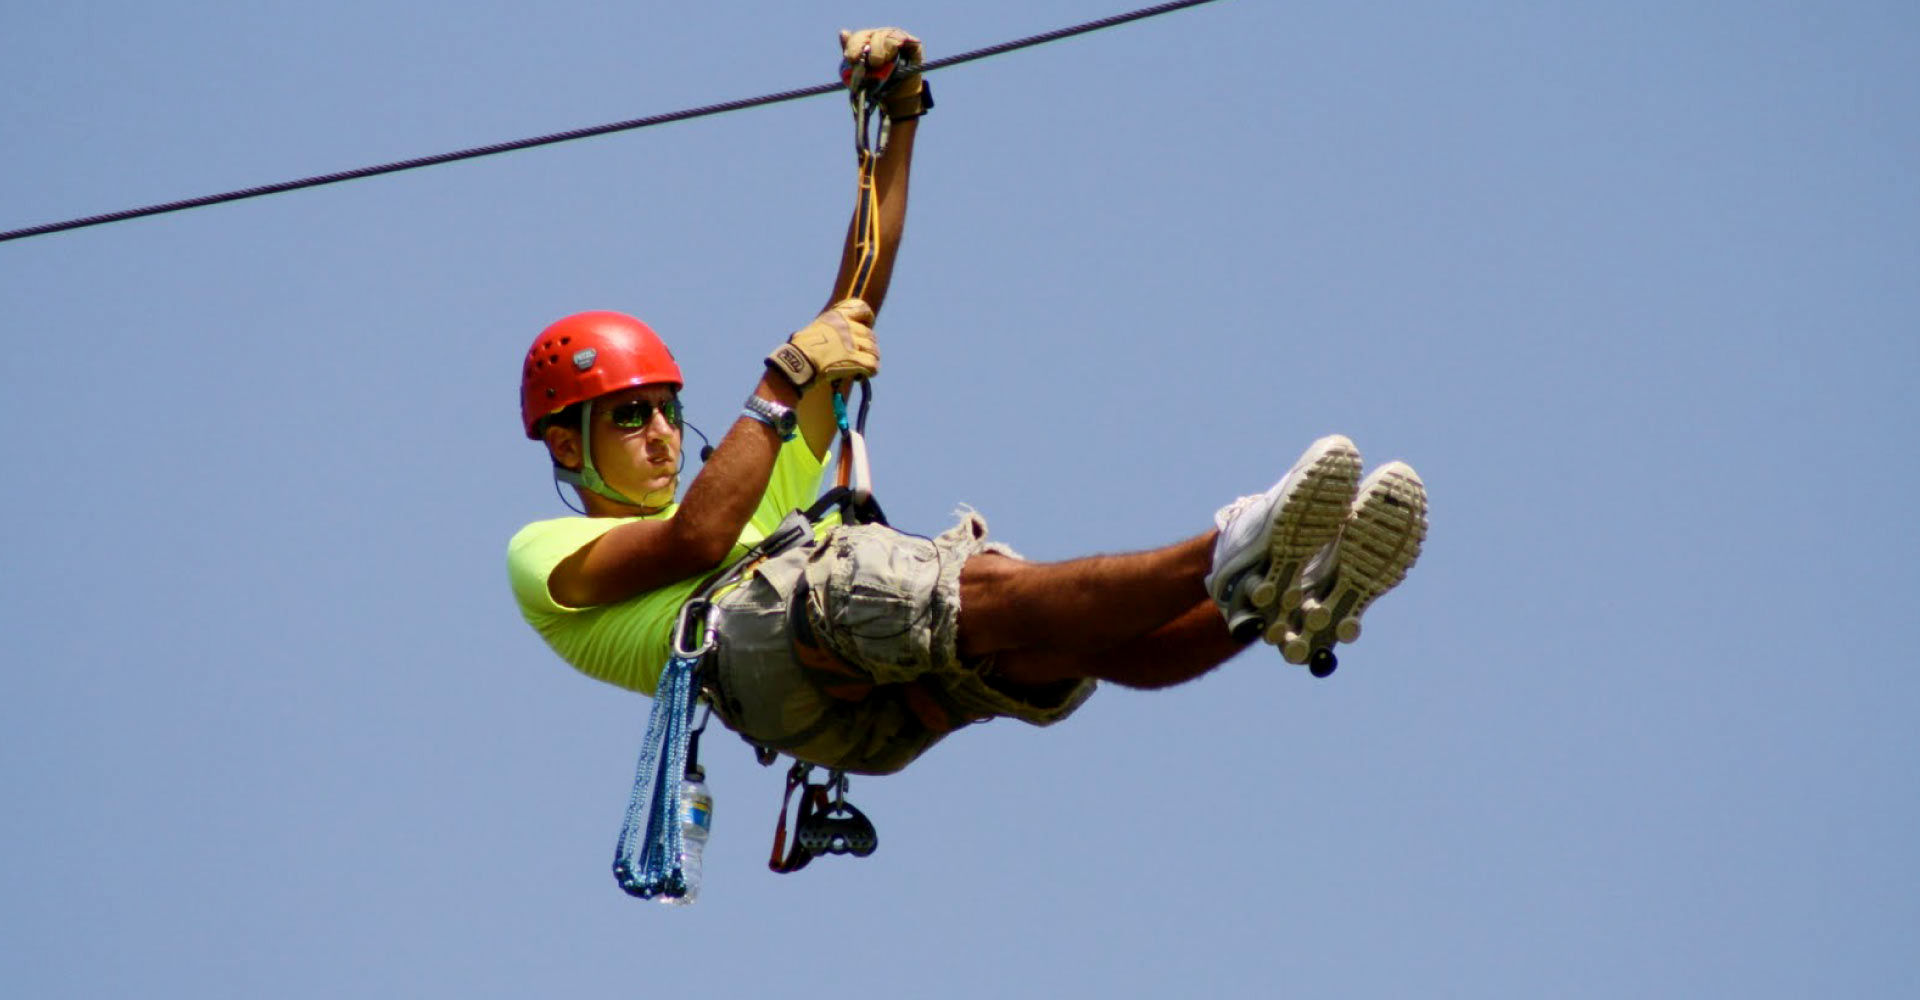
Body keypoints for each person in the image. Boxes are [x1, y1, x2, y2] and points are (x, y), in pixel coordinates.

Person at [508, 28, 1429, 776]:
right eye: (630, 416)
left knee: (1065, 640)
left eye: (667, 406)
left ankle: (1269, 599)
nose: (663, 432)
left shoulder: (749, 484)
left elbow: (853, 306)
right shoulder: (547, 554)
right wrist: (785, 373)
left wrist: (899, 118)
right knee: (987, 585)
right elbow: (695, 542)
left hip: (851, 708)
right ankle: (1229, 543)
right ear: (564, 447)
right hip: (769, 652)